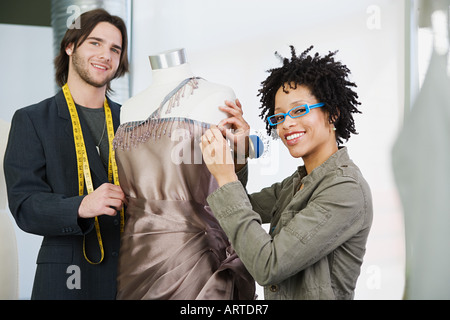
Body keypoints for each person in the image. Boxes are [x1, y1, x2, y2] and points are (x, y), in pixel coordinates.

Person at [200, 45, 373, 299]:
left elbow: (268, 265)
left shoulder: (345, 189)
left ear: (333, 113)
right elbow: (240, 208)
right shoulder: (298, 182)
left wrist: (225, 177)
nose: (287, 124)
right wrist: (238, 155)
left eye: (300, 110)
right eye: (278, 117)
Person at [3, 8, 129, 299]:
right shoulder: (32, 120)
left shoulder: (133, 122)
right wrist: (82, 206)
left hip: (131, 277)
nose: (105, 55)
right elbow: (24, 205)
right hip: (65, 282)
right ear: (70, 46)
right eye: (94, 43)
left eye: (115, 49)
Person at [113, 48, 255, 299]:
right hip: (135, 255)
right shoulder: (127, 109)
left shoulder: (219, 96)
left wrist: (242, 152)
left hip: (195, 255)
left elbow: (231, 183)